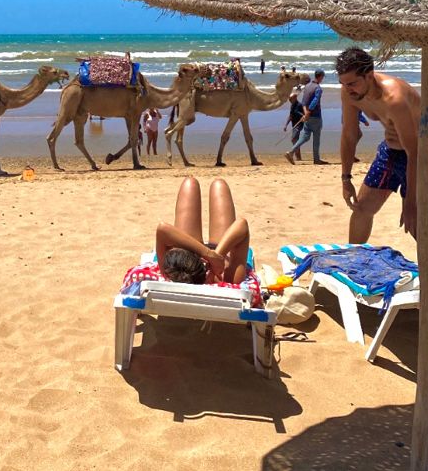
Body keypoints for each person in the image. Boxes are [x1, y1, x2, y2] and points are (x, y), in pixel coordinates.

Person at [336, 46, 428, 271]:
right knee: (362, 210)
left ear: (369, 75)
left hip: (425, 151)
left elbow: (415, 152)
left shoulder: (394, 98)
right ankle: (353, 268)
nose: (347, 89)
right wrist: (345, 178)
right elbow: (350, 134)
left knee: (418, 226)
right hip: (391, 150)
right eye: (343, 83)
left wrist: (410, 202)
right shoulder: (350, 93)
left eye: (352, 83)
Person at [120, 177, 261, 305]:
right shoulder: (228, 276)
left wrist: (207, 253)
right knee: (219, 185)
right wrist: (216, 255)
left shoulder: (171, 274)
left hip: (202, 252)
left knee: (190, 183)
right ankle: (206, 249)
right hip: (219, 247)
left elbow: (162, 228)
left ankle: (196, 249)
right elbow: (242, 225)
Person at [285, 69, 328, 165]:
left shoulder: (307, 87)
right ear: (320, 76)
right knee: (316, 138)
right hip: (315, 116)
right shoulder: (318, 88)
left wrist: (305, 112)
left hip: (307, 116)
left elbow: (304, 101)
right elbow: (315, 101)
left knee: (305, 137)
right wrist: (309, 112)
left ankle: (291, 152)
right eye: (323, 77)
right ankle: (316, 159)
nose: (323, 79)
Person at [283, 88, 304, 162]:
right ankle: (298, 157)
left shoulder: (300, 105)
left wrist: (302, 116)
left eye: (291, 99)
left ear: (295, 98)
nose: (290, 101)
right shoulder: (292, 105)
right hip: (294, 124)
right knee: (295, 140)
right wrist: (286, 125)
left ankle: (296, 156)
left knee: (294, 139)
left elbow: (304, 115)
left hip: (299, 124)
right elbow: (291, 116)